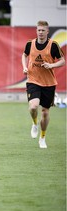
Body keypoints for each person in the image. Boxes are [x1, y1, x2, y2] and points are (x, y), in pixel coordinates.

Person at [21, 20, 65, 148]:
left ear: (47, 31)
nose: (40, 32)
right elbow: (24, 55)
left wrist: (51, 65)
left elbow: (62, 61)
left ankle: (43, 137)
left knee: (45, 112)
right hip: (33, 80)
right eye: (38, 30)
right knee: (33, 107)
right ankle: (35, 124)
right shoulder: (30, 43)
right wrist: (24, 67)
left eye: (43, 30)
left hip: (49, 83)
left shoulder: (53, 45)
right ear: (36, 31)